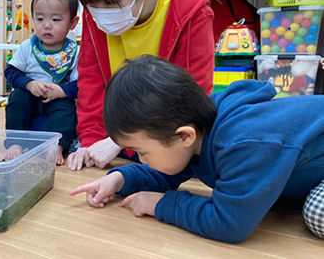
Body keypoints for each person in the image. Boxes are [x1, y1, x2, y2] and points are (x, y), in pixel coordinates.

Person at [70, 55, 324, 243]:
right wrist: (120, 178)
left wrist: (162, 205)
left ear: (184, 136)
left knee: (316, 213)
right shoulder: (195, 128)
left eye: (142, 152)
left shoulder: (243, 143)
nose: (140, 159)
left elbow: (230, 223)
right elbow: (170, 169)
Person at [67, 0, 215, 171]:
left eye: (112, 6)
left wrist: (118, 141)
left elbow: (192, 97)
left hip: (165, 144)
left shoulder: (190, 11)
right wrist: (91, 141)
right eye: (93, 8)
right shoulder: (96, 14)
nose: (101, 16)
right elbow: (91, 84)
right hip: (119, 143)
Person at [4, 0, 79, 165]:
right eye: (39, 19)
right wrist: (29, 84)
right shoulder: (28, 47)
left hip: (57, 98)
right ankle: (16, 143)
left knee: (66, 109)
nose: (46, 26)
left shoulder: (75, 51)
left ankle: (58, 146)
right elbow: (11, 72)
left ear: (72, 23)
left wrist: (61, 91)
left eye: (55, 20)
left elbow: (80, 84)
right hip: (30, 95)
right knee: (16, 99)